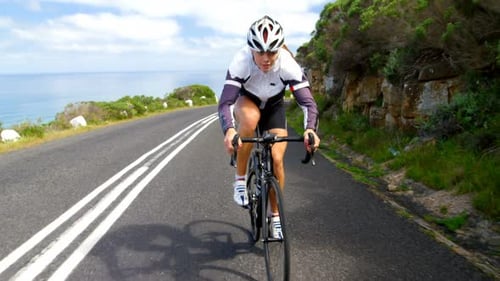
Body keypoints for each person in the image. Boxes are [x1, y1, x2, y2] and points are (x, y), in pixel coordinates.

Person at [217, 15, 320, 238]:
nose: (266, 59)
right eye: (260, 52)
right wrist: (229, 131)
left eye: (272, 52)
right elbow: (225, 102)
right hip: (248, 100)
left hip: (274, 106)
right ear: (251, 49)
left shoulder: (288, 65)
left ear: (279, 50)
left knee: (276, 158)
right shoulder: (241, 61)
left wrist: (310, 129)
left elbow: (307, 103)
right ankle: (240, 181)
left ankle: (275, 217)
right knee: (251, 119)